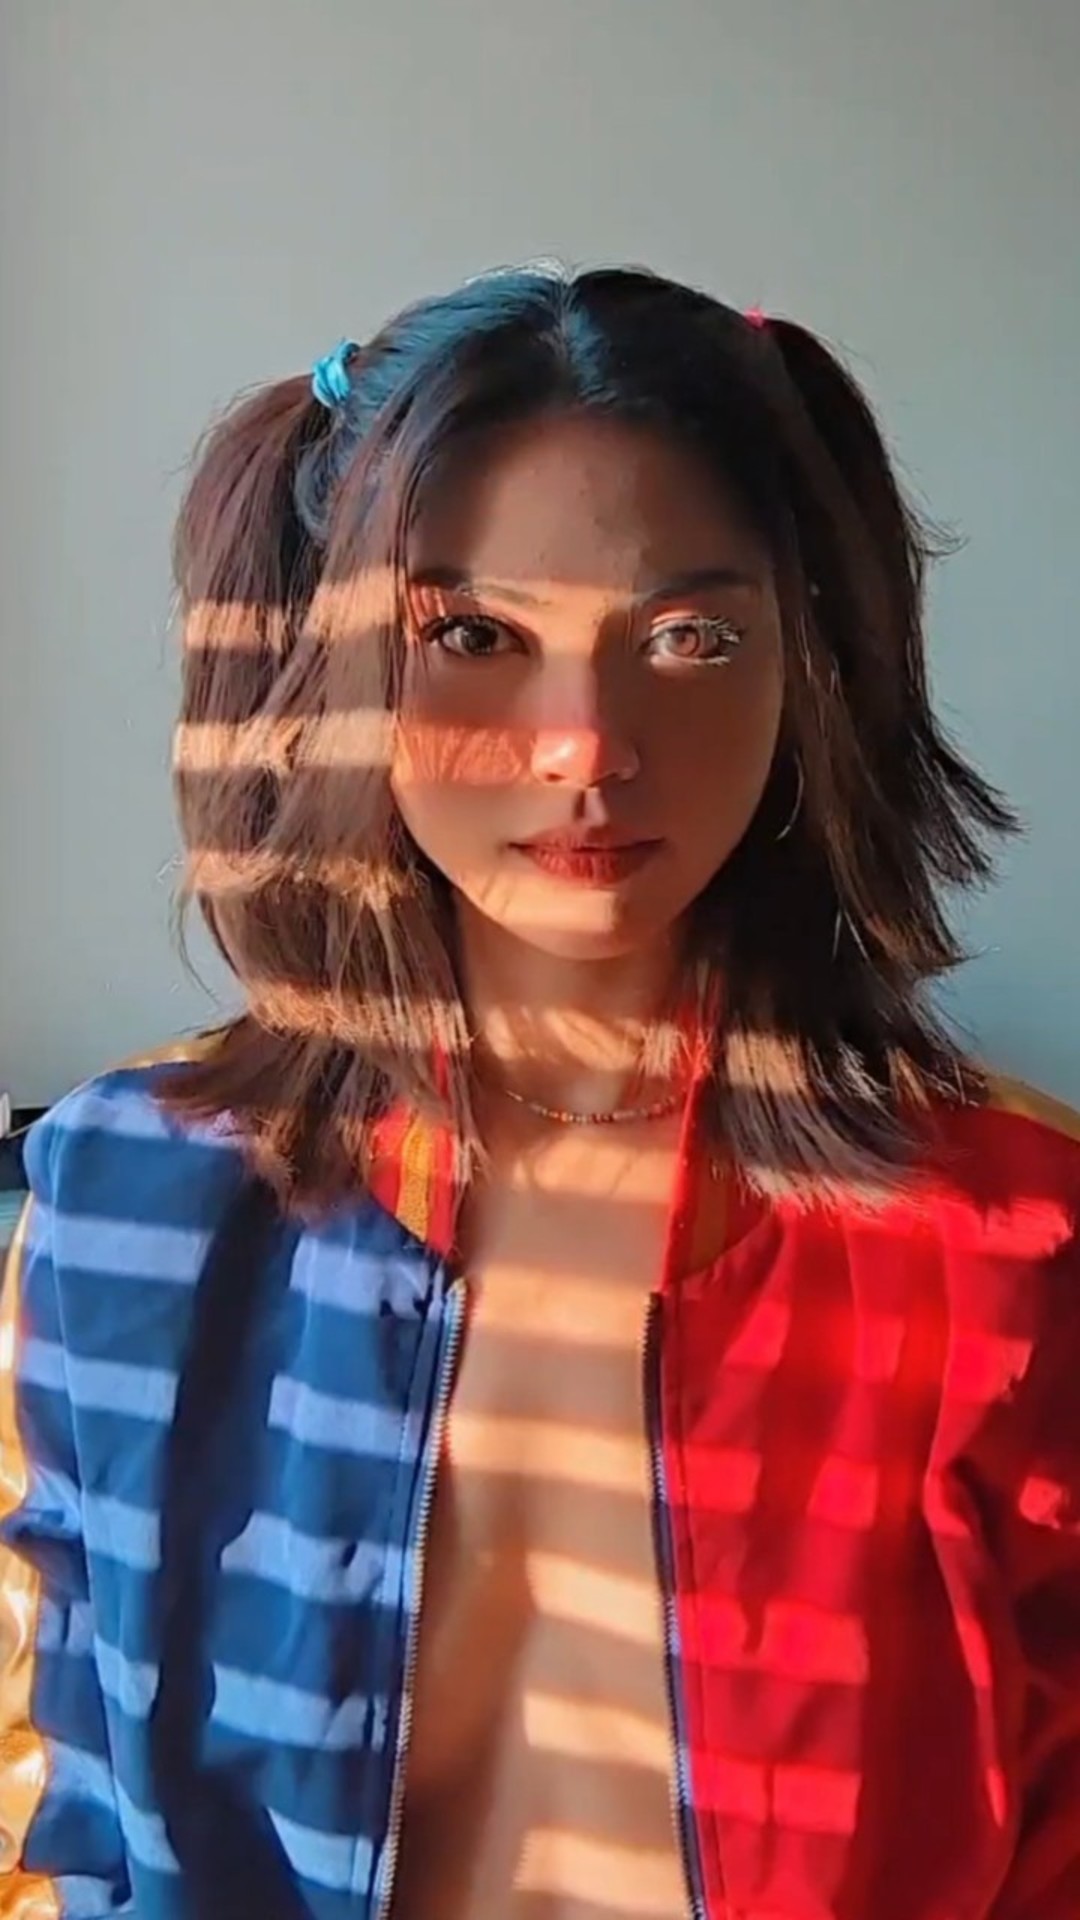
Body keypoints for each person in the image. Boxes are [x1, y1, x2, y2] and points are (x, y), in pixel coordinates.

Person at [2, 263, 1078, 1920]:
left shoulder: (1011, 1239)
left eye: (689, 638)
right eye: (472, 637)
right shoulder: (127, 1201)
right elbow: (77, 1812)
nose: (586, 742)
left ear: (809, 672)